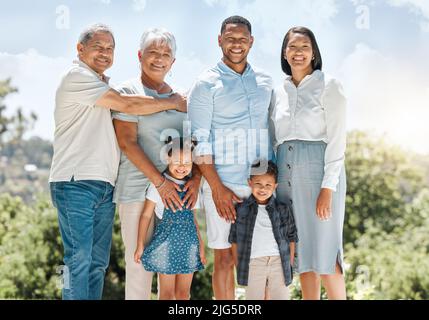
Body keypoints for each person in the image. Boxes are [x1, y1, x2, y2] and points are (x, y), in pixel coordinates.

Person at [49, 23, 186, 300]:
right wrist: (172, 102)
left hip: (103, 185)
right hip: (75, 183)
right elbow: (129, 108)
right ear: (80, 49)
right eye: (98, 47)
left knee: (97, 264)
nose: (104, 53)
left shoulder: (101, 83)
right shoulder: (77, 77)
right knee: (78, 261)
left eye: (110, 48)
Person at [112, 27, 201, 300]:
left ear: (173, 62)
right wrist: (160, 182)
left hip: (178, 196)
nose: (159, 58)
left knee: (171, 273)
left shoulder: (184, 99)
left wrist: (196, 179)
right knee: (139, 269)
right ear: (140, 55)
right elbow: (127, 142)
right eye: (153, 52)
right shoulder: (127, 91)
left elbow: (195, 146)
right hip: (139, 192)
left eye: (166, 54)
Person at [188, 15, 273, 300]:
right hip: (223, 185)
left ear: (251, 42)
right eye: (230, 38)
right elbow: (200, 141)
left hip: (259, 187)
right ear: (219, 41)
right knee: (225, 259)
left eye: (242, 39)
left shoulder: (265, 81)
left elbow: (270, 129)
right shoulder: (205, 83)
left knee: (259, 261)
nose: (236, 44)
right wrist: (217, 189)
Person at [270, 26, 347, 300]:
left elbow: (338, 141)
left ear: (313, 52)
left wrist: (328, 187)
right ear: (284, 52)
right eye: (292, 46)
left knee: (326, 252)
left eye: (304, 46)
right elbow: (272, 138)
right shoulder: (277, 91)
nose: (298, 52)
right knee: (299, 252)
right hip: (285, 178)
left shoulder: (330, 85)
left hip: (320, 176)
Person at [134, 137, 206, 300]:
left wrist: (200, 245)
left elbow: (192, 219)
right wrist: (140, 244)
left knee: (183, 294)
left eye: (187, 163)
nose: (182, 167)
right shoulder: (158, 185)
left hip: (189, 246)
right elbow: (146, 215)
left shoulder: (193, 188)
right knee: (166, 294)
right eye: (177, 161)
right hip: (166, 246)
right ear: (167, 158)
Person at [229, 160, 298, 300]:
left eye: (268, 185)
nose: (263, 189)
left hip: (279, 262)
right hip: (253, 263)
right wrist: (238, 264)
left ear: (275, 186)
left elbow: (292, 237)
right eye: (258, 184)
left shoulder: (282, 209)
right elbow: (234, 239)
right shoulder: (241, 209)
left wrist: (288, 263)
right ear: (250, 183)